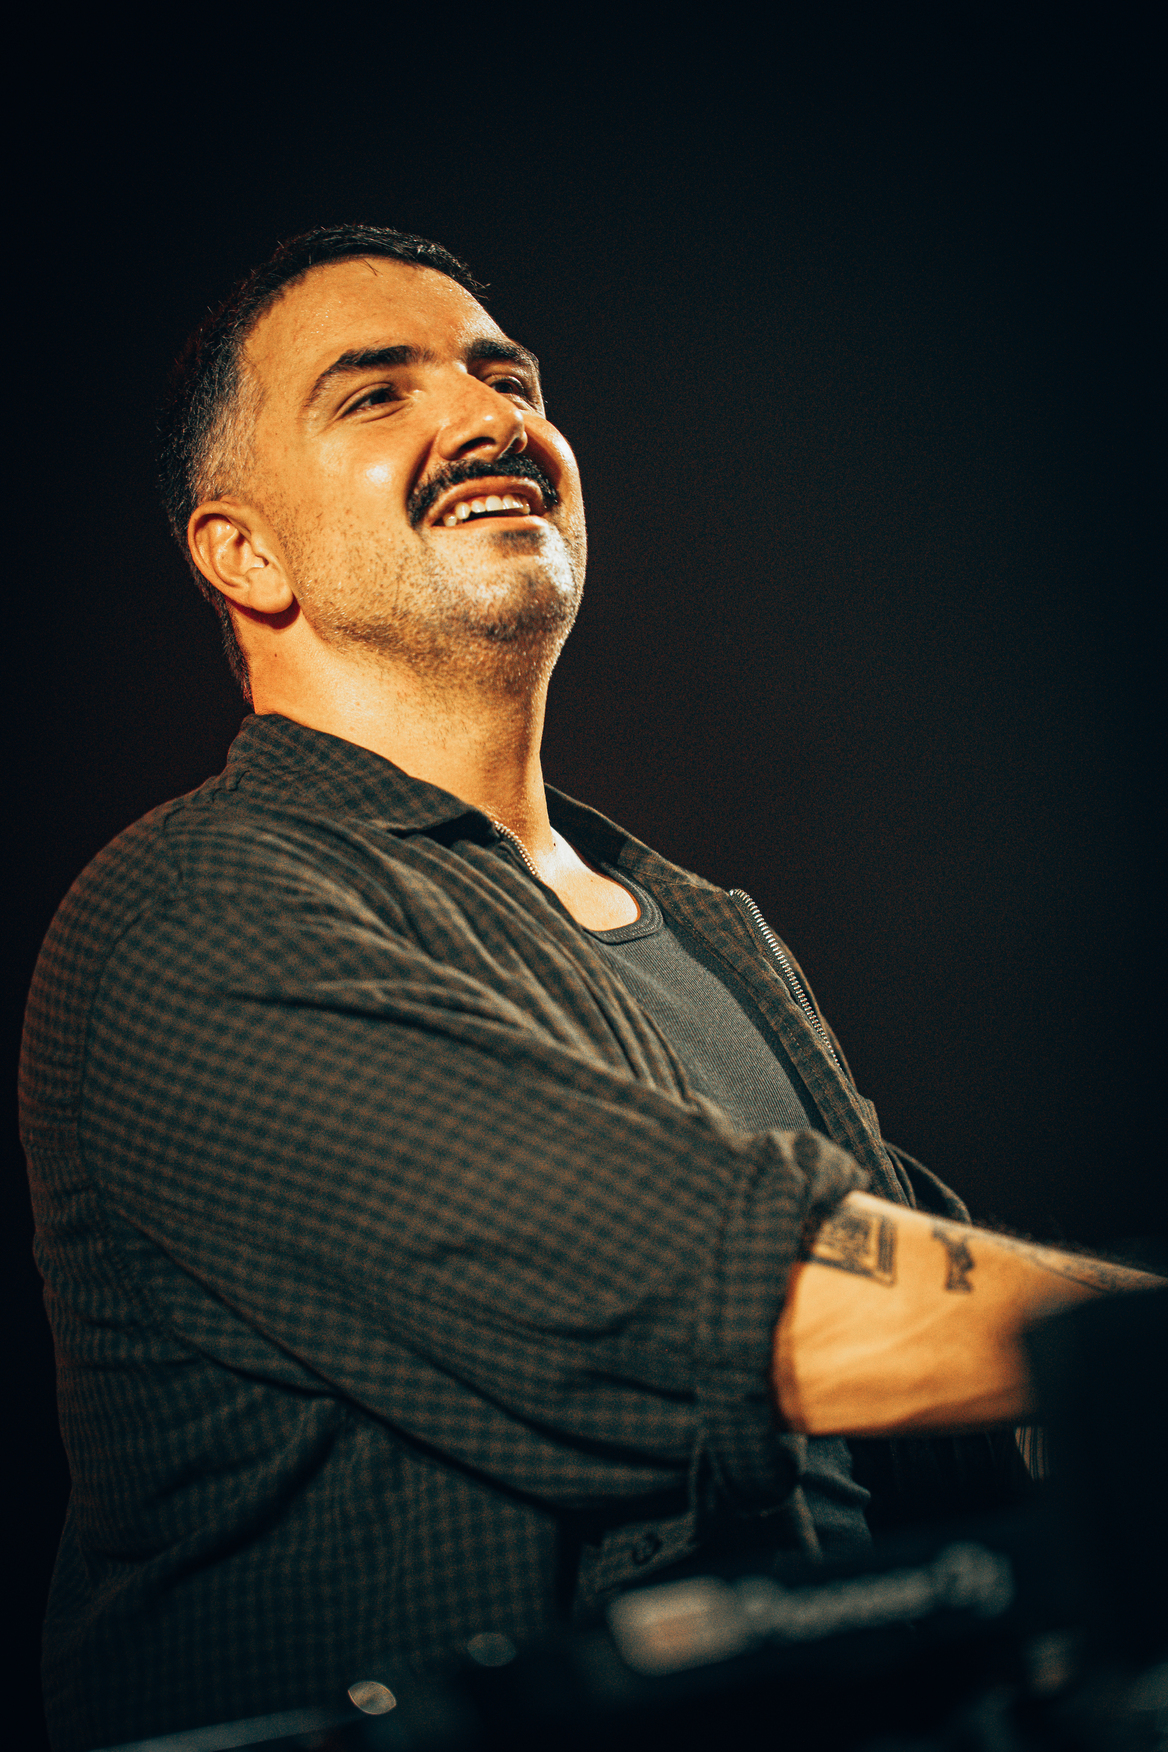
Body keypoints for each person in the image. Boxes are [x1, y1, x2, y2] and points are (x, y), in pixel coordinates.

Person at [20, 225, 1159, 1752]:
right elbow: (756, 1306)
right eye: (377, 393)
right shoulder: (196, 913)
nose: (488, 416)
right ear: (244, 555)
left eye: (509, 379)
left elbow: (947, 1394)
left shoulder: (702, 928)